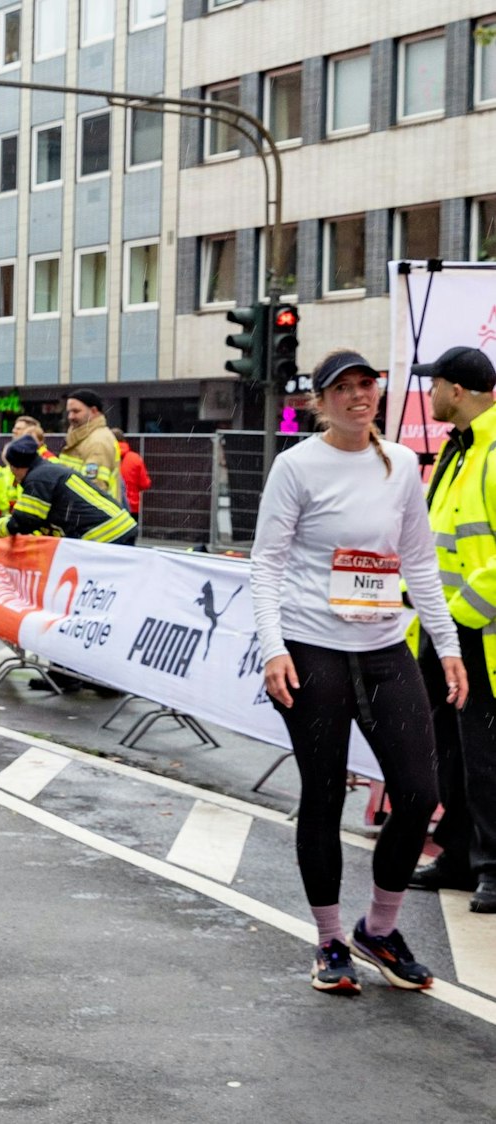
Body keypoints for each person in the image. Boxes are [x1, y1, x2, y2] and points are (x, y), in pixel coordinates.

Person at [249, 349, 469, 993]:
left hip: (383, 646)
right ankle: (328, 939)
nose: (357, 397)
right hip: (311, 646)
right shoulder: (296, 466)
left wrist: (446, 644)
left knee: (419, 792)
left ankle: (379, 927)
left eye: (366, 385)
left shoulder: (400, 463)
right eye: (341, 389)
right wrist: (272, 648)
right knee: (322, 794)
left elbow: (420, 562)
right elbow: (267, 563)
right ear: (319, 401)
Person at [409, 344, 496, 913]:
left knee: (485, 754)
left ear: (456, 391)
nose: (430, 395)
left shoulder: (489, 451)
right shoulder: (458, 450)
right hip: (446, 631)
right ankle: (459, 856)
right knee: (452, 751)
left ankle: (493, 866)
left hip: (477, 633)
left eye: (434, 385)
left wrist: (458, 613)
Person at [0, 437, 136, 545]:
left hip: (103, 536)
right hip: (119, 528)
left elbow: (24, 522)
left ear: (15, 466)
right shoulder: (48, 470)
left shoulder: (37, 479)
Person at [60, 389, 121, 499]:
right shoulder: (82, 438)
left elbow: (94, 491)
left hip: (88, 514)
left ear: (93, 411)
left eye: (76, 411)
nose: (70, 417)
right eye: (69, 412)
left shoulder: (98, 442)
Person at [113, 428, 151, 523]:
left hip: (110, 505)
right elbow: (145, 484)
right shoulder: (135, 458)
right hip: (132, 506)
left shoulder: (105, 456)